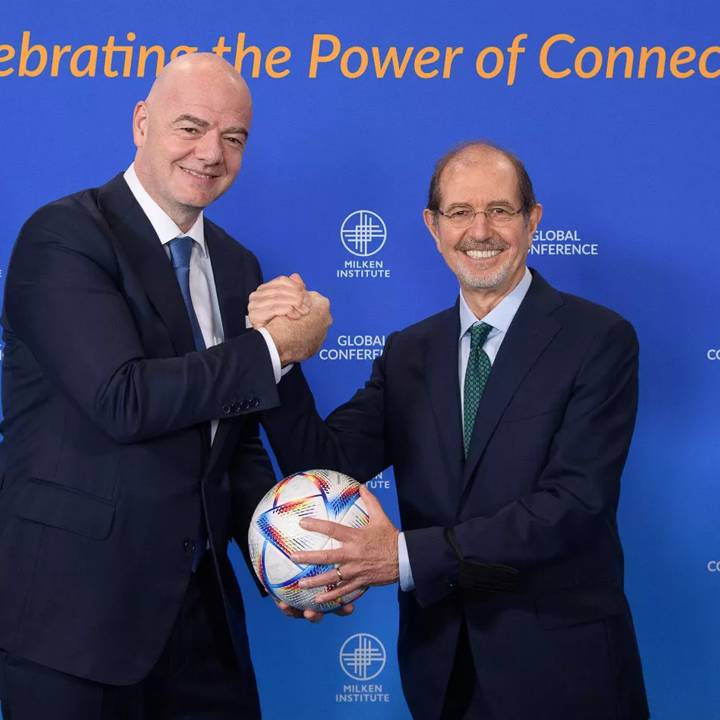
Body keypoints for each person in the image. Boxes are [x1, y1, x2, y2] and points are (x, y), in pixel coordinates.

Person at [252, 142, 650, 719]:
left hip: (565, 674)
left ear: (532, 220)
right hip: (441, 675)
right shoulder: (409, 352)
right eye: (460, 213)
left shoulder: (598, 340)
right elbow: (326, 459)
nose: (479, 231)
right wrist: (280, 356)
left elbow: (574, 505)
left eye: (501, 210)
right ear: (433, 227)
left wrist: (403, 557)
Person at [0, 53, 332, 719]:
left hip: (202, 622)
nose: (212, 152)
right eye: (191, 127)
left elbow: (228, 446)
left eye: (233, 137)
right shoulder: (63, 236)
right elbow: (121, 399)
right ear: (142, 123)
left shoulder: (238, 265)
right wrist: (273, 348)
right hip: (75, 626)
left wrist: (288, 564)